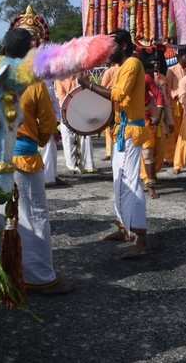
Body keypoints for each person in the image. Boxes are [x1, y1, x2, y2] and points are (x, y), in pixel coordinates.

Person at [0, 27, 74, 295]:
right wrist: (38, 141)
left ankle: (2, 274)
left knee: (0, 218)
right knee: (34, 217)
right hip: (24, 159)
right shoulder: (33, 81)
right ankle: (40, 277)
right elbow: (48, 122)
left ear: (3, 49)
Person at [78, 30, 149, 259]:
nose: (107, 53)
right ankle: (124, 228)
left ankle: (140, 237)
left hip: (130, 132)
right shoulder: (120, 68)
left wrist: (89, 86)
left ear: (125, 46)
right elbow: (117, 104)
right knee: (120, 182)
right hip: (121, 131)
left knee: (131, 182)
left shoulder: (132, 64)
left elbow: (118, 95)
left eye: (111, 47)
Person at [11, 5, 65, 186]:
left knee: (48, 144)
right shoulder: (6, 69)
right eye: (26, 39)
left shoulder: (45, 64)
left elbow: (51, 91)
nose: (31, 43)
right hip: (15, 129)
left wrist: (54, 118)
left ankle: (48, 177)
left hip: (39, 117)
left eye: (33, 38)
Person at [55, 75, 96, 174]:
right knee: (69, 138)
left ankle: (86, 165)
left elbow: (88, 92)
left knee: (85, 137)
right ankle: (72, 165)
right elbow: (62, 98)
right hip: (67, 111)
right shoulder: (60, 78)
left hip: (80, 109)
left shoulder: (82, 75)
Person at [140, 51, 164, 199]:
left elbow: (159, 96)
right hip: (127, 122)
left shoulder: (146, 78)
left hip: (145, 121)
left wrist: (159, 115)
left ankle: (150, 185)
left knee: (148, 153)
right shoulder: (122, 75)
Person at [163, 46, 186, 164]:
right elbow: (167, 88)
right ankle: (169, 157)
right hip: (175, 105)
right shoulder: (172, 70)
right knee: (173, 131)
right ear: (179, 57)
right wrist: (176, 94)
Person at [100, 61, 120, 161]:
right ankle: (116, 148)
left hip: (109, 100)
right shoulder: (121, 69)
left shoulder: (109, 71)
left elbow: (103, 87)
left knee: (108, 128)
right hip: (118, 101)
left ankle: (109, 151)